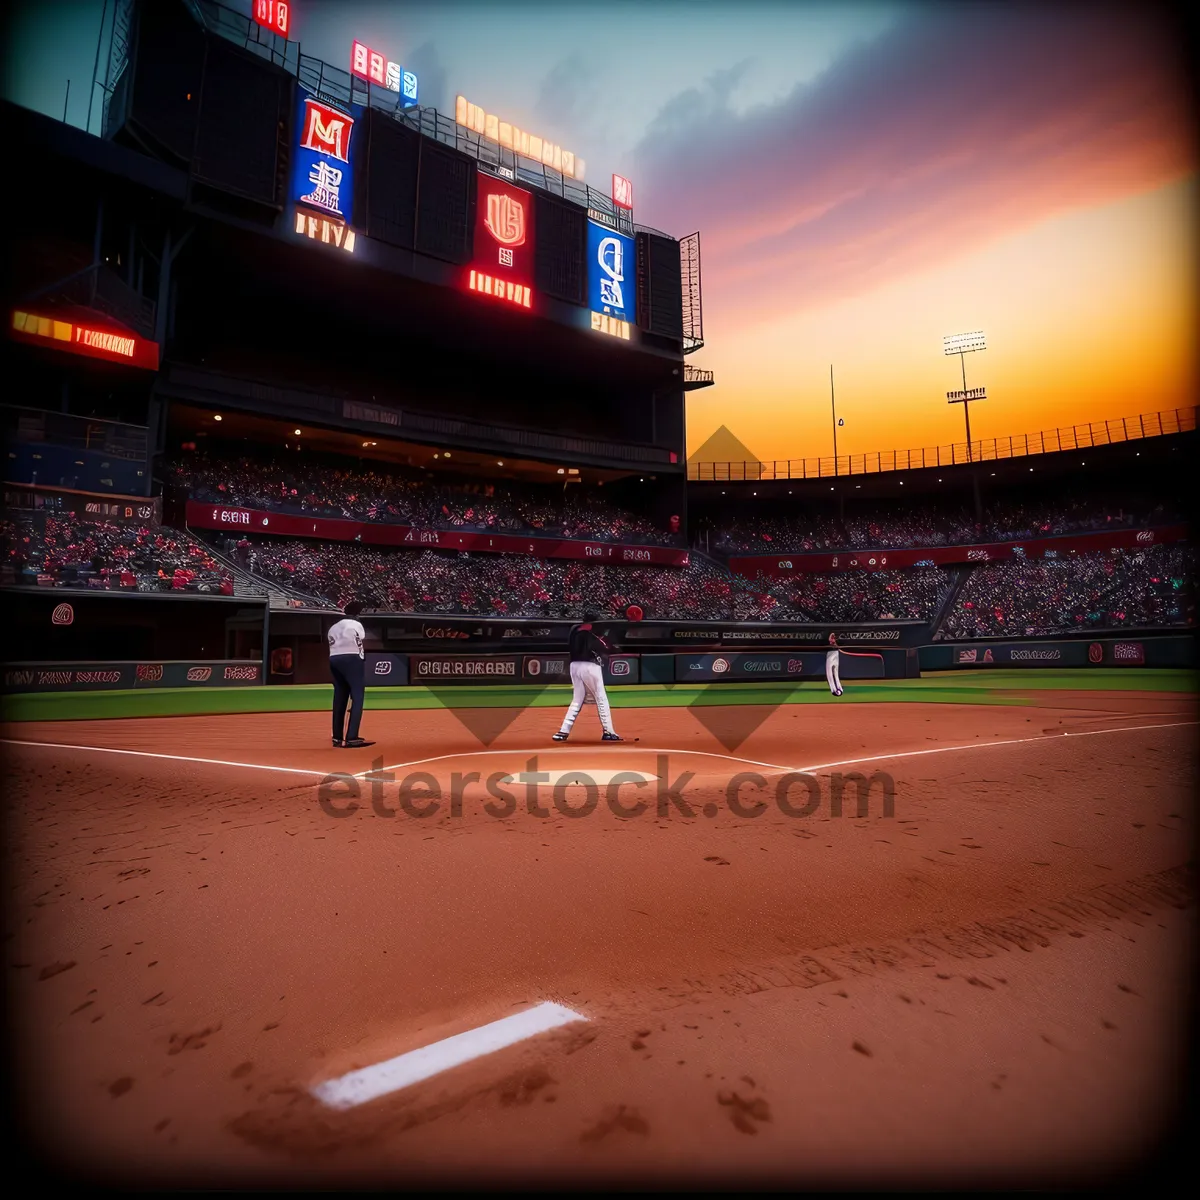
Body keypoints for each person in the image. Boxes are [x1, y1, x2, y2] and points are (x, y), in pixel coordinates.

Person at [553, 611, 622, 742]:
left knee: (577, 699)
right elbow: (605, 647)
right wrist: (611, 644)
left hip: (574, 665)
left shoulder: (574, 629)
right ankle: (609, 732)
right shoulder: (593, 632)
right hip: (589, 666)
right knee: (601, 698)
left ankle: (563, 731)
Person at [328, 600, 374, 748]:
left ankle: (337, 737)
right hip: (352, 658)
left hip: (334, 658)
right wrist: (361, 659)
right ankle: (351, 737)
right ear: (357, 613)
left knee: (340, 697)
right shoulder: (356, 624)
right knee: (357, 697)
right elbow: (360, 640)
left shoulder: (333, 627)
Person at [825, 632, 843, 697]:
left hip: (833, 653)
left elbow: (831, 641)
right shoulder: (832, 641)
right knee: (834, 673)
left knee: (830, 673)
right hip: (834, 653)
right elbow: (831, 640)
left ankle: (834, 690)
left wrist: (833, 642)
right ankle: (839, 689)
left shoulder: (834, 641)